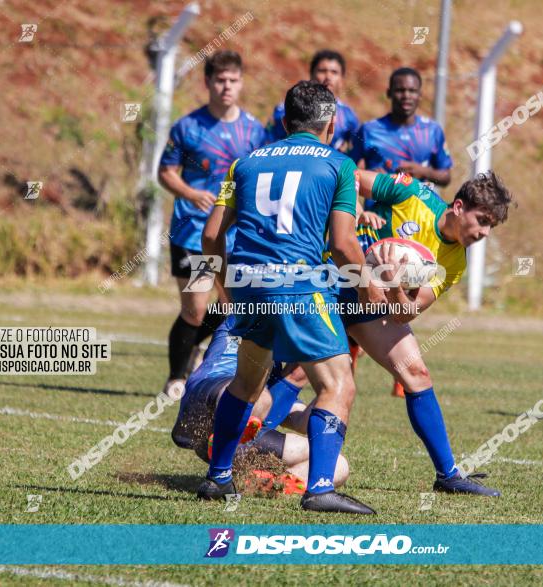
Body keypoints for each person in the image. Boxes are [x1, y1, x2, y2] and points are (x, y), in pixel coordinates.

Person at [198, 80, 386, 514]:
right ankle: (320, 488)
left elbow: (211, 235)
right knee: (338, 383)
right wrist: (368, 286)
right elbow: (342, 244)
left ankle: (218, 477)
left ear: (284, 122)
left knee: (247, 382)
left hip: (248, 283)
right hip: (298, 284)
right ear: (332, 124)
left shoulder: (244, 163)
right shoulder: (339, 166)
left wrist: (230, 284)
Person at [340, 168, 514, 496]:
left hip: (372, 306)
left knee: (416, 373)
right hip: (334, 283)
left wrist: (391, 281)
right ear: (459, 207)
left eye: (492, 226)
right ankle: (243, 443)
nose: (486, 233)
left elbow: (407, 312)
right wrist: (358, 210)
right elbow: (347, 176)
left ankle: (447, 475)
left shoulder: (455, 262)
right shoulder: (411, 194)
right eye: (483, 220)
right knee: (297, 378)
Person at [158, 50, 266, 396]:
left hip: (236, 236)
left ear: (241, 83)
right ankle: (177, 375)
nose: (226, 86)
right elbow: (165, 173)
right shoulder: (188, 127)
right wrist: (191, 193)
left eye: (233, 80)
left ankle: (196, 367)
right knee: (196, 308)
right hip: (193, 231)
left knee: (231, 303)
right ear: (207, 82)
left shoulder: (254, 131)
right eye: (220, 80)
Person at [354, 66, 453, 395]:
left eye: (412, 91)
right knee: (368, 292)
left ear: (420, 94)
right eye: (399, 90)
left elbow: (446, 175)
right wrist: (357, 208)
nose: (406, 96)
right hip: (380, 221)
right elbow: (350, 171)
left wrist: (421, 170)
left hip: (419, 227)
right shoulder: (370, 131)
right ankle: (353, 355)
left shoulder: (432, 132)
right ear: (389, 93)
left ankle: (403, 370)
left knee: (407, 291)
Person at [171, 316, 349, 492]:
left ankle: (271, 483)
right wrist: (330, 354)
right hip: (208, 393)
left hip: (230, 438)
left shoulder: (274, 371)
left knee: (338, 465)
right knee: (259, 397)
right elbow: (297, 368)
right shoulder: (249, 315)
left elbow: (301, 421)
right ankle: (226, 439)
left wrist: (331, 392)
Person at [266, 49, 360, 153]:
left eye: (334, 72)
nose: (328, 77)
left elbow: (355, 151)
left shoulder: (349, 115)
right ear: (311, 75)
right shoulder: (287, 108)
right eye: (322, 71)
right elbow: (268, 143)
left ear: (341, 79)